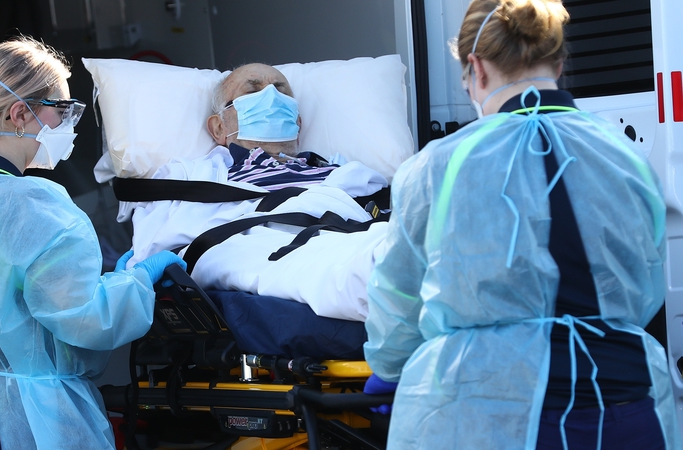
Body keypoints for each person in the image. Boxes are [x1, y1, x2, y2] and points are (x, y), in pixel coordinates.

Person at [362, 0, 680, 448]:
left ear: (476, 68)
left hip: (490, 415)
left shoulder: (439, 166)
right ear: (560, 61)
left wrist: (388, 371)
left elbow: (399, 293)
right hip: (628, 408)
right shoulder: (624, 155)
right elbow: (644, 283)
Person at [0, 36, 185, 450]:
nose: (68, 125)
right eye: (62, 111)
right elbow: (85, 317)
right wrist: (137, 280)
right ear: (19, 113)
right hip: (32, 421)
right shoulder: (29, 203)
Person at [205, 63, 342, 191]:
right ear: (219, 128)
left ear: (297, 124)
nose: (272, 98)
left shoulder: (341, 174)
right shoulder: (204, 182)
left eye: (282, 93)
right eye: (252, 91)